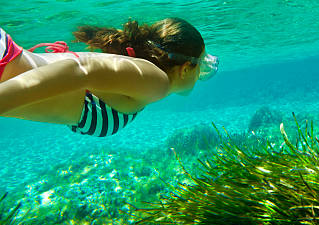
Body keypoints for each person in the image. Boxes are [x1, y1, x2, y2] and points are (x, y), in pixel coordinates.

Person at [0, 18, 218, 137]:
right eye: (202, 66)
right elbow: (81, 70)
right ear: (186, 67)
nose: (201, 75)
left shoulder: (143, 81)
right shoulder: (157, 82)